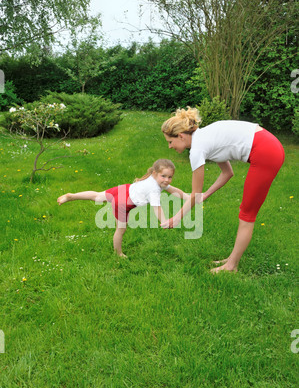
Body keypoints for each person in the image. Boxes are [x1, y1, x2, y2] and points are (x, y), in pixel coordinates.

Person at [161, 107, 285, 273]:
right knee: (246, 212)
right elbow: (228, 173)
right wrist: (206, 195)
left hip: (266, 152)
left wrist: (176, 218)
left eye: (170, 141)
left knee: (247, 214)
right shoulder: (205, 137)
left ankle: (231, 266)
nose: (170, 146)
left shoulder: (197, 149)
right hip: (268, 146)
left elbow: (194, 194)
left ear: (181, 136)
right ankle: (231, 259)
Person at [57, 159, 190, 257]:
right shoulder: (154, 189)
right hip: (123, 203)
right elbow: (157, 208)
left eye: (170, 177)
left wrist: (189, 197)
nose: (167, 180)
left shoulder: (155, 179)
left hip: (123, 189)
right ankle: (118, 253)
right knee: (121, 230)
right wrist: (164, 221)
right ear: (155, 173)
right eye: (164, 176)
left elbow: (173, 190)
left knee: (97, 196)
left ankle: (71, 196)